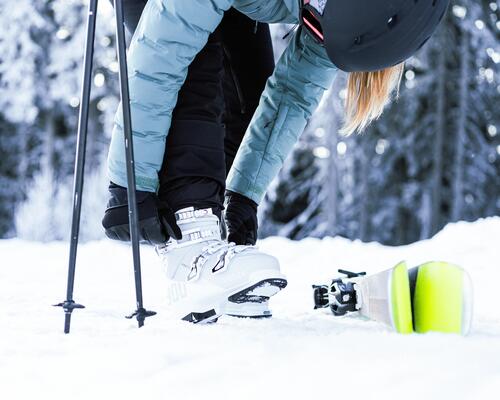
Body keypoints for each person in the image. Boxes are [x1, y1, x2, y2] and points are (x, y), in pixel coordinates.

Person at [102, 0, 450, 323]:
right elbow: (163, 50)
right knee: (197, 66)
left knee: (246, 92)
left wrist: (241, 197)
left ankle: (216, 254)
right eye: (316, 20)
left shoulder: (341, 13)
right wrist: (131, 182)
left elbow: (291, 97)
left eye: (321, 26)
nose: (316, 23)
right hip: (172, 19)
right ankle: (189, 245)